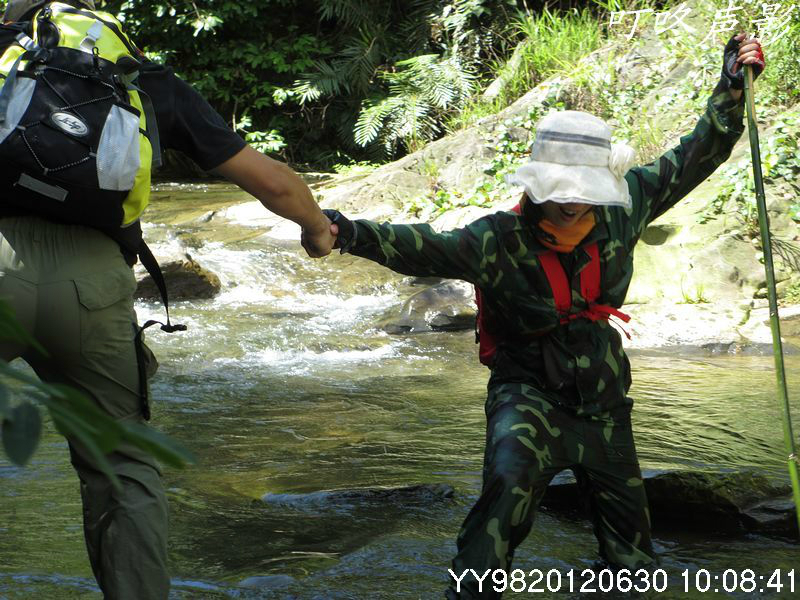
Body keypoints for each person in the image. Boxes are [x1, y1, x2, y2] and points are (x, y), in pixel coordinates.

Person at [320, 35, 764, 598]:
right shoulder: (496, 240)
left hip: (603, 401)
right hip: (526, 393)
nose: (573, 202)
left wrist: (732, 83)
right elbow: (420, 245)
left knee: (633, 557)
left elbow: (702, 150)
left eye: (583, 189)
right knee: (506, 488)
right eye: (562, 190)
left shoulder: (628, 207)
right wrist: (343, 230)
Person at [0, 1, 335, 598]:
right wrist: (316, 229)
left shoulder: (7, 59)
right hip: (94, 283)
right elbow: (274, 182)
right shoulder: (141, 83)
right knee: (123, 465)